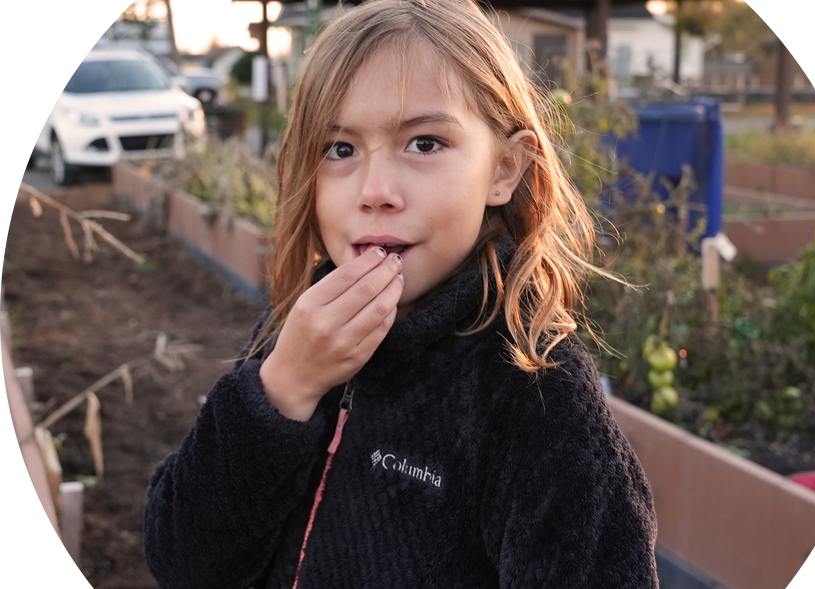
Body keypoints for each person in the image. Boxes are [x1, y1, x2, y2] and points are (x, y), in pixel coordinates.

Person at [143, 0, 658, 587]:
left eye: (424, 143)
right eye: (340, 149)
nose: (376, 191)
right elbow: (182, 561)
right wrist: (282, 388)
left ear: (505, 169)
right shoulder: (293, 334)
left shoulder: (533, 392)